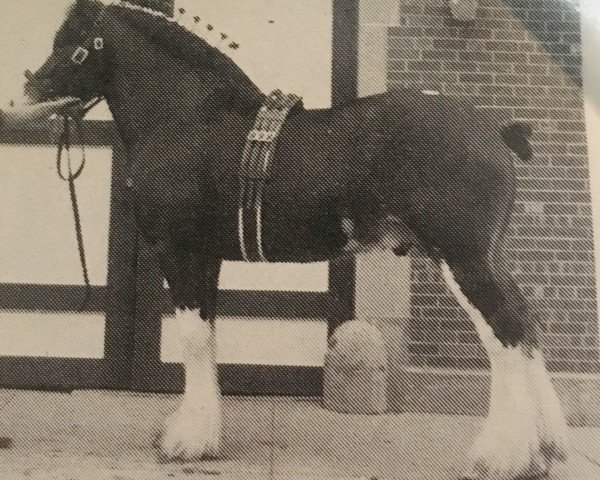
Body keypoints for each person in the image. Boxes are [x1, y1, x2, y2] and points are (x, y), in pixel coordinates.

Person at [0, 97, 82, 131]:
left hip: (6, 117)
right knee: (35, 113)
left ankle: (61, 104)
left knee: (35, 113)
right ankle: (61, 104)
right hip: (5, 118)